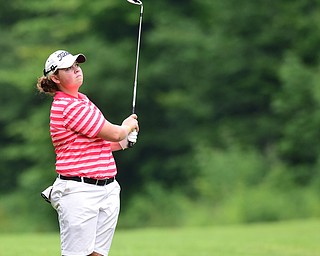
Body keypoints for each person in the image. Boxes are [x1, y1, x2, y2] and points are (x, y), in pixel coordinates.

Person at [37, 50, 139, 256]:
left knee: (97, 254)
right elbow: (114, 132)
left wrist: (124, 143)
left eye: (77, 66)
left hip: (107, 189)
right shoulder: (68, 106)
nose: (76, 70)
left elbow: (96, 144)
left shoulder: (82, 100)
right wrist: (127, 127)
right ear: (55, 78)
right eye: (68, 68)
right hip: (80, 191)